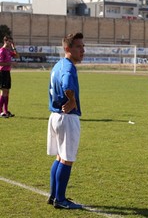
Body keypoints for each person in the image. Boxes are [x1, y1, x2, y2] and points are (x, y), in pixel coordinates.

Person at [47, 32, 85, 209]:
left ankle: (54, 195)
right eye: (79, 47)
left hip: (55, 116)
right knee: (67, 159)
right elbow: (67, 84)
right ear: (67, 48)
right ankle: (60, 200)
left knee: (60, 157)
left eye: (83, 47)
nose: (82, 50)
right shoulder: (68, 68)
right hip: (67, 118)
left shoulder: (58, 65)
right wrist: (72, 100)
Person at [0, 35, 19, 118]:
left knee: (7, 92)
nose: (10, 43)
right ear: (5, 41)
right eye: (9, 41)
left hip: (7, 72)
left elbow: (17, 56)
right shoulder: (2, 51)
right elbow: (0, 63)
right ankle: (1, 111)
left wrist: (14, 47)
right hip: (2, 72)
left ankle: (6, 111)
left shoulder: (8, 51)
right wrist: (11, 63)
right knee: (4, 92)